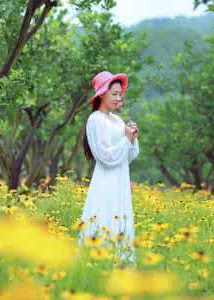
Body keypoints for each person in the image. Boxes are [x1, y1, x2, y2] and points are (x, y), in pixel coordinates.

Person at [78, 71, 140, 265]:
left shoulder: (117, 120)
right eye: (114, 93)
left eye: (120, 94)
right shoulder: (95, 120)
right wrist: (125, 139)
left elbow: (129, 156)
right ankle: (98, 266)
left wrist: (132, 138)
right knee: (104, 217)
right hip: (105, 181)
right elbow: (105, 156)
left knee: (119, 220)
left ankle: (120, 269)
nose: (119, 97)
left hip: (120, 180)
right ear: (102, 94)